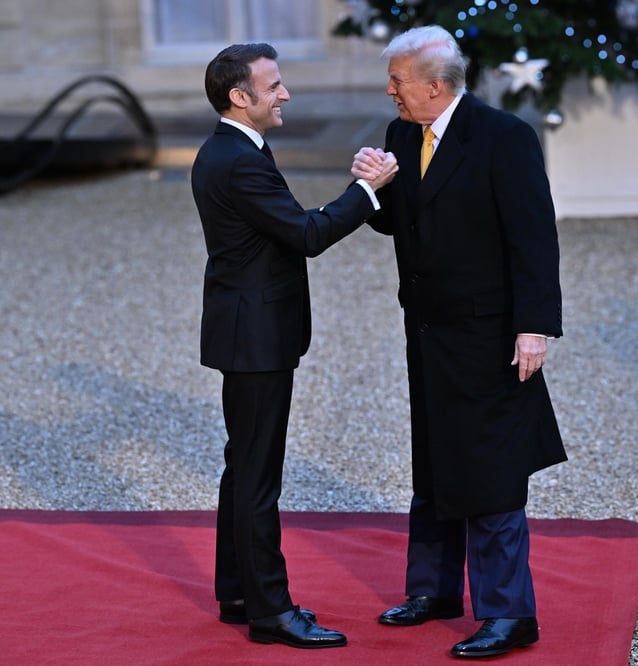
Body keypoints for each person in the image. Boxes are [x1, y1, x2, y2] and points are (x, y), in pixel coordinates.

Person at [351, 25, 566, 659]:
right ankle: (434, 590)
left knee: (492, 467)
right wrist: (376, 189)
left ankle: (508, 614)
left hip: (491, 333)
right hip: (427, 330)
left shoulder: (504, 137)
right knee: (435, 457)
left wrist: (536, 326)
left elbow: (534, 238)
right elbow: (405, 221)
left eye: (398, 81)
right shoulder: (400, 134)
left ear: (436, 86)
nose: (390, 91)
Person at [191, 43, 397, 649]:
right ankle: (272, 611)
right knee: (258, 476)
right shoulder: (239, 160)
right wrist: (366, 189)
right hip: (257, 337)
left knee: (242, 465)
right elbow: (307, 234)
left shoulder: (229, 149)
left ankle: (237, 589)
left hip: (245, 328)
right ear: (240, 96)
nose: (285, 94)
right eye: (273, 85)